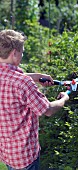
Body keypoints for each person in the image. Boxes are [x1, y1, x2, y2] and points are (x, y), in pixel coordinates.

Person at [0, 29, 69, 170]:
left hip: (7, 153)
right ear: (14, 53)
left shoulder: (17, 80)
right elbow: (48, 110)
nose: (22, 55)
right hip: (25, 156)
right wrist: (64, 99)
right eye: (22, 52)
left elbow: (9, 77)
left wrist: (36, 76)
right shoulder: (23, 83)